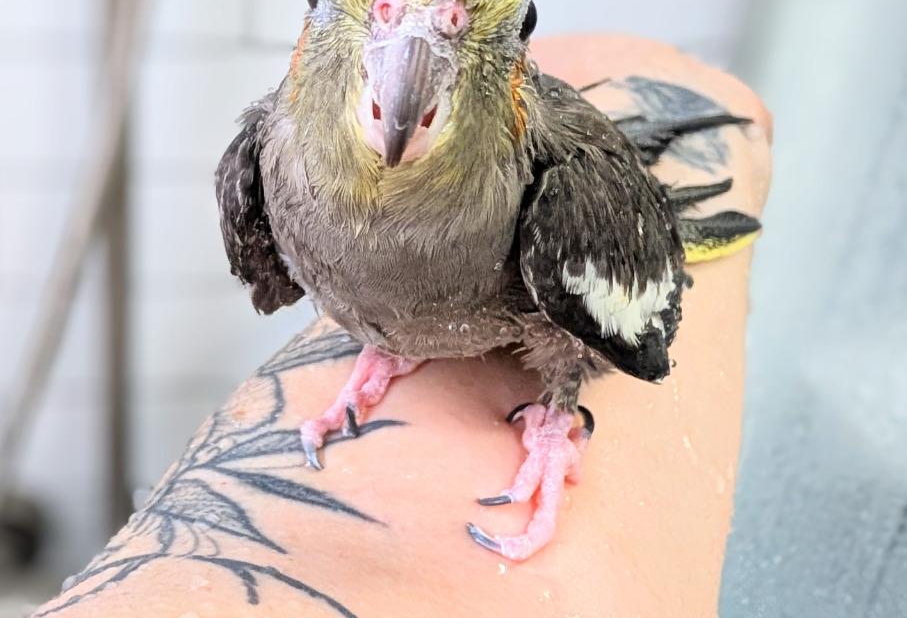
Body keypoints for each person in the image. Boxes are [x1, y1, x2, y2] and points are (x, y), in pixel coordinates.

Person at [35, 34, 772, 618]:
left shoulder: (557, 195)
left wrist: (559, 414)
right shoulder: (265, 161)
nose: (399, 77)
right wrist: (389, 334)